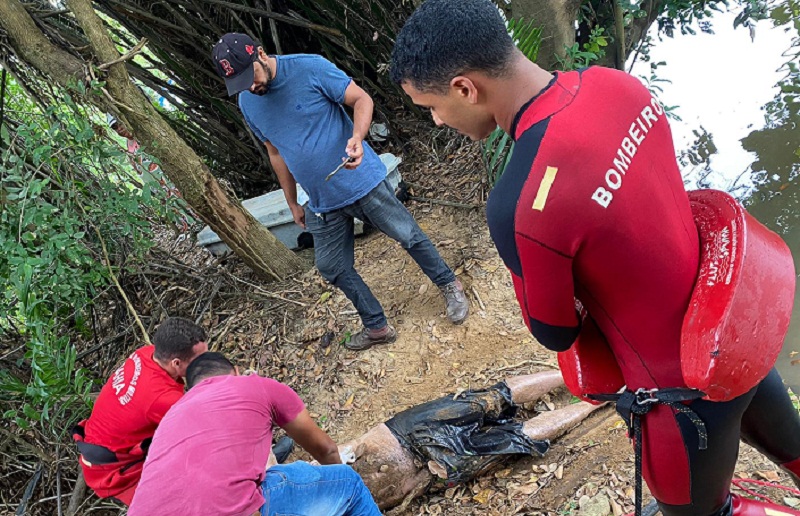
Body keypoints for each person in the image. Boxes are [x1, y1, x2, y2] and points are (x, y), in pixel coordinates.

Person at [389, 1, 800, 515]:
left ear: (465, 88)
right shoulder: (617, 86)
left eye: (430, 106)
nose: (437, 119)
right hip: (736, 335)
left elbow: (555, 330)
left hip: (680, 400)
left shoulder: (519, 202)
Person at [211, 33, 469, 351]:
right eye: (240, 83)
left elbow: (361, 99)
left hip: (360, 180)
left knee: (408, 235)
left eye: (251, 77)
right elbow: (275, 152)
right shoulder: (248, 102)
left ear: (261, 55)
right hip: (319, 200)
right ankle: (377, 327)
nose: (251, 86)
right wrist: (291, 201)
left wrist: (358, 138)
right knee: (332, 266)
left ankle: (449, 284)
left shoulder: (310, 67)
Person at [128, 352, 381, 516]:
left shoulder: (172, 416)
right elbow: (325, 449)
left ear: (191, 390)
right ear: (236, 372)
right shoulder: (254, 386)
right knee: (347, 482)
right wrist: (331, 477)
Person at [336, 370, 601, 510]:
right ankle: (597, 401)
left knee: (492, 398)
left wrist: (348, 452)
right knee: (517, 437)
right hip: (428, 475)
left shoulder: (298, 479)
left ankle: (578, 375)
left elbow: (334, 453)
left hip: (403, 433)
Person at [73, 317, 208, 504]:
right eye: (200, 360)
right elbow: (205, 426)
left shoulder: (145, 354)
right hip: (112, 471)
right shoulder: (162, 398)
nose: (207, 363)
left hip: (100, 443)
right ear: (176, 363)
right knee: (182, 501)